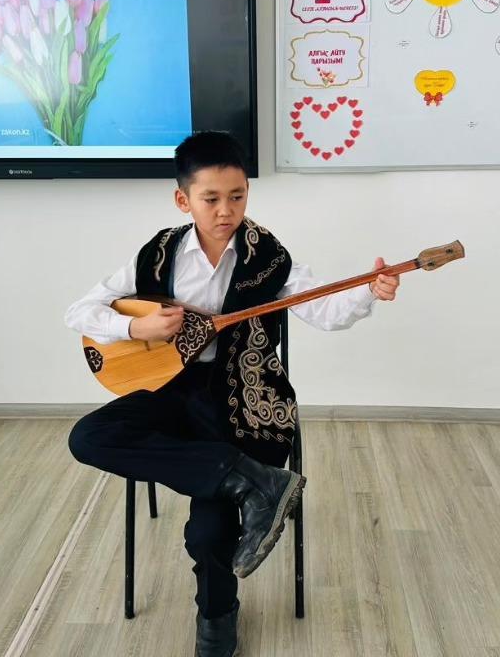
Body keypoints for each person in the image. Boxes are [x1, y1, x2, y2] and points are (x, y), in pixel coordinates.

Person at [65, 131, 400, 656]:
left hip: (243, 399)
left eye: (237, 196)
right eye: (211, 199)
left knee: (207, 533)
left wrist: (368, 293)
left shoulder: (268, 256)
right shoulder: (158, 254)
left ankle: (217, 615)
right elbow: (80, 312)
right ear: (183, 200)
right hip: (168, 389)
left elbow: (324, 310)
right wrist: (137, 328)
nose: (226, 211)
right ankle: (255, 481)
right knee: (88, 437)